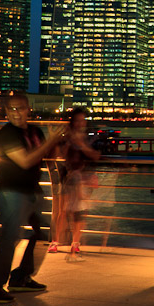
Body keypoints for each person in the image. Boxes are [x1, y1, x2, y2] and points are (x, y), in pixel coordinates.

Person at [0, 92, 65, 304]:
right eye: (12, 109)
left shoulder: (35, 131)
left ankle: (21, 277)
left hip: (32, 189)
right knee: (10, 237)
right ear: (6, 111)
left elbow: (45, 155)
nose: (16, 113)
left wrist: (56, 143)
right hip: (11, 191)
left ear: (29, 109)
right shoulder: (6, 135)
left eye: (20, 108)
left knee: (43, 232)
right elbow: (26, 161)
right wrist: (51, 140)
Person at [52, 108, 101, 261]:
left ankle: (75, 242)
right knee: (63, 210)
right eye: (77, 121)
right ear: (72, 122)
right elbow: (59, 154)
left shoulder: (90, 137)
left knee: (79, 212)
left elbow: (95, 155)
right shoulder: (67, 137)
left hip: (84, 177)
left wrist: (81, 144)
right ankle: (55, 241)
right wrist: (66, 141)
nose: (80, 124)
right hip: (68, 175)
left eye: (82, 120)